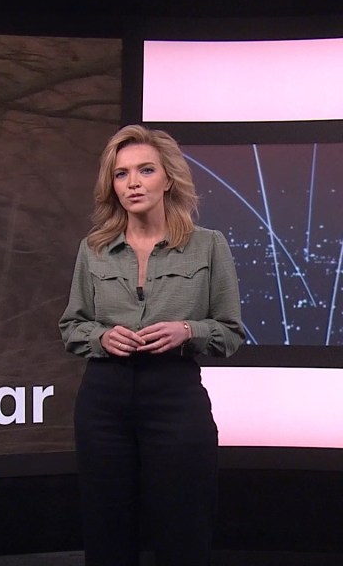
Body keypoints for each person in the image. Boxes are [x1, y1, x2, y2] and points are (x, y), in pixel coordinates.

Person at [58, 124, 245, 566]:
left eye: (145, 170)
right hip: (104, 400)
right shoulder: (94, 249)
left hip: (174, 395)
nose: (133, 183)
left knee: (184, 529)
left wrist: (188, 331)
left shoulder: (207, 246)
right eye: (121, 174)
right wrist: (101, 336)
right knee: (107, 530)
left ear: (168, 179)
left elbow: (231, 332)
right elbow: (71, 326)